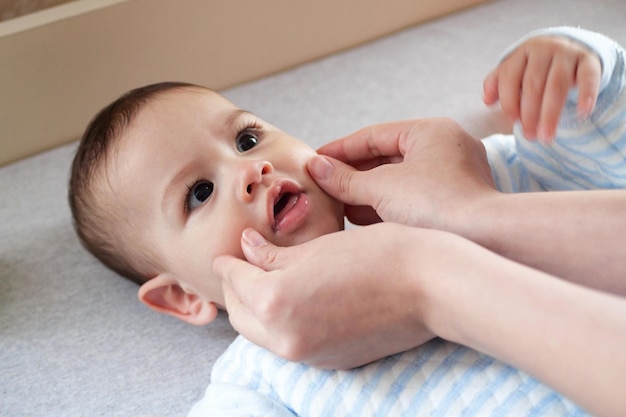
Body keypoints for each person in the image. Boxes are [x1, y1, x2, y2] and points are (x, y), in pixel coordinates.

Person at [66, 27, 625, 416]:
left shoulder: (427, 190)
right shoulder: (260, 377)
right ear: (183, 297)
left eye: (246, 138)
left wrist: (578, 78)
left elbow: (593, 160)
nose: (251, 169)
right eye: (200, 192)